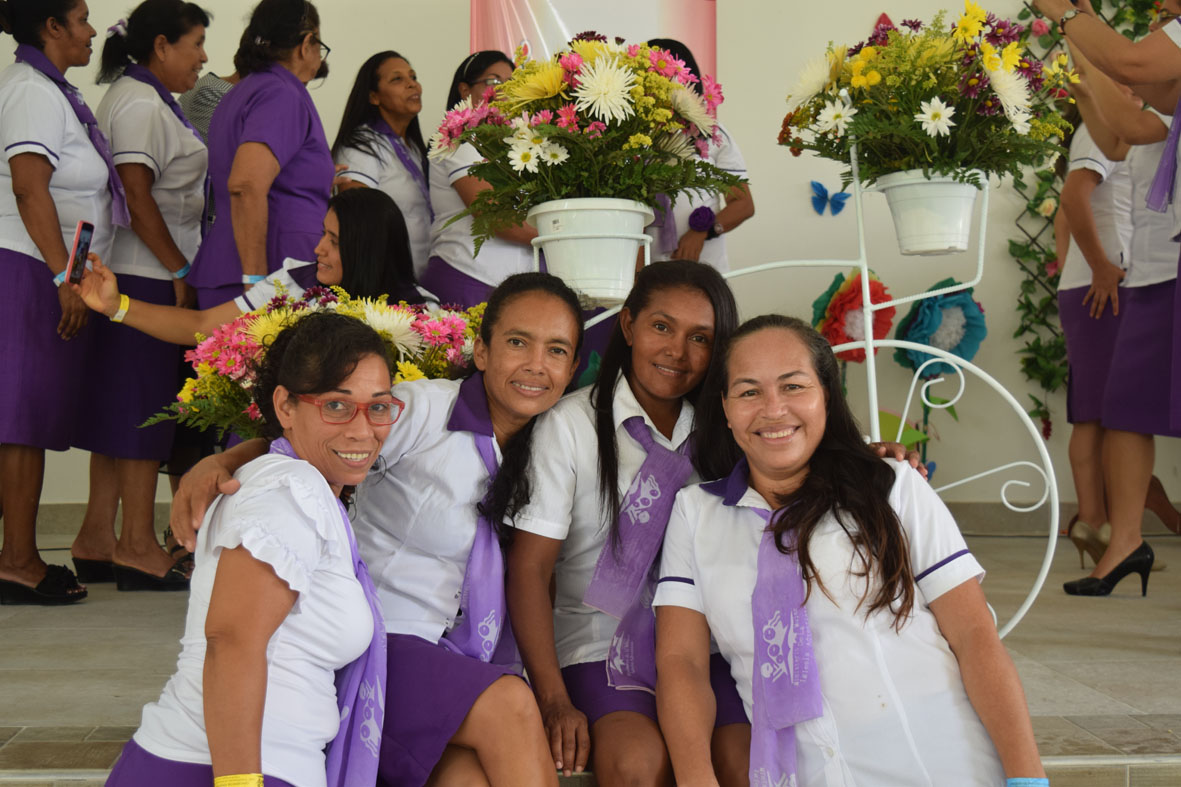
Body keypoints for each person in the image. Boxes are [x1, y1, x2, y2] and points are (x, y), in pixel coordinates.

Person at [168, 272, 586, 786]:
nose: (536, 365)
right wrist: (221, 460)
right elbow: (320, 439)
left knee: (468, 780)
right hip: (382, 637)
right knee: (512, 705)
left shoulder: (557, 442)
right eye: (518, 342)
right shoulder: (426, 411)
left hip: (458, 655)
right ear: (481, 351)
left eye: (556, 350)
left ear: (572, 368)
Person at [654, 314, 1046, 787]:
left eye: (793, 386)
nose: (773, 409)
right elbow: (682, 663)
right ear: (725, 406)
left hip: (936, 765)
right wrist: (696, 778)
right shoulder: (696, 514)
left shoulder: (892, 487)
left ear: (826, 393)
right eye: (749, 391)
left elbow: (974, 636)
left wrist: (1028, 779)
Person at [105, 311, 397, 787]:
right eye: (337, 406)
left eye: (378, 407)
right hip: (227, 769)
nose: (363, 430)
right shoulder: (290, 490)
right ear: (285, 406)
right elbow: (232, 642)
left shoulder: (288, 478)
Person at [507, 261, 752, 785]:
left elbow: (800, 462)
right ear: (629, 325)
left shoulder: (727, 429)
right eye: (662, 327)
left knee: (744, 762)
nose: (677, 352)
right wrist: (552, 699)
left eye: (700, 338)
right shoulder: (569, 426)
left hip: (704, 639)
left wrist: (874, 458)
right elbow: (529, 569)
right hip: (597, 638)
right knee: (637, 763)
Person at [62, 0, 211, 592]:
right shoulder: (143, 103)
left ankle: (98, 537)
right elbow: (135, 190)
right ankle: (137, 545)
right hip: (144, 272)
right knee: (143, 413)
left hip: (135, 269)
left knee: (121, 412)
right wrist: (179, 267)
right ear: (162, 46)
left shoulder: (143, 97)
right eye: (195, 43)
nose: (203, 57)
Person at [0, 0, 127, 605]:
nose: (93, 30)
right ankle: (18, 562)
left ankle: (16, 556)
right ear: (51, 27)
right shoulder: (31, 90)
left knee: (25, 417)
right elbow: (30, 187)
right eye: (80, 18)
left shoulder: (52, 90)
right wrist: (61, 276)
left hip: (44, 265)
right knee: (20, 420)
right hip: (27, 265)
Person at [76, 189, 430, 346]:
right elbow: (202, 326)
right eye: (324, 233)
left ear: (367, 251)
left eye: (334, 241)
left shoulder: (422, 313)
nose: (318, 248)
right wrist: (115, 305)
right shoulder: (295, 280)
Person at [186, 0, 331, 309]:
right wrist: (256, 284)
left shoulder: (246, 90)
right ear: (307, 44)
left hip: (246, 265)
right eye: (320, 47)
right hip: (272, 271)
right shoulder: (282, 93)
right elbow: (246, 184)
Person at [422, 51, 537, 307]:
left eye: (511, 83)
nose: (504, 90)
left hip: (510, 288)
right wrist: (560, 234)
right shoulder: (458, 137)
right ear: (465, 90)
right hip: (467, 276)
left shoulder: (520, 143)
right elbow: (493, 216)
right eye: (494, 81)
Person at [643, 39, 754, 273]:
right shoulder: (633, 134)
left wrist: (704, 232)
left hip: (704, 270)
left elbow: (743, 204)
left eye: (666, 73)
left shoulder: (711, 133)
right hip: (645, 272)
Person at [334, 51, 433, 278]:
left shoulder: (413, 147)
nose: (412, 84)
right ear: (374, 97)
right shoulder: (361, 145)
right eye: (397, 79)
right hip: (386, 277)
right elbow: (356, 218)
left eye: (413, 77)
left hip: (420, 273)